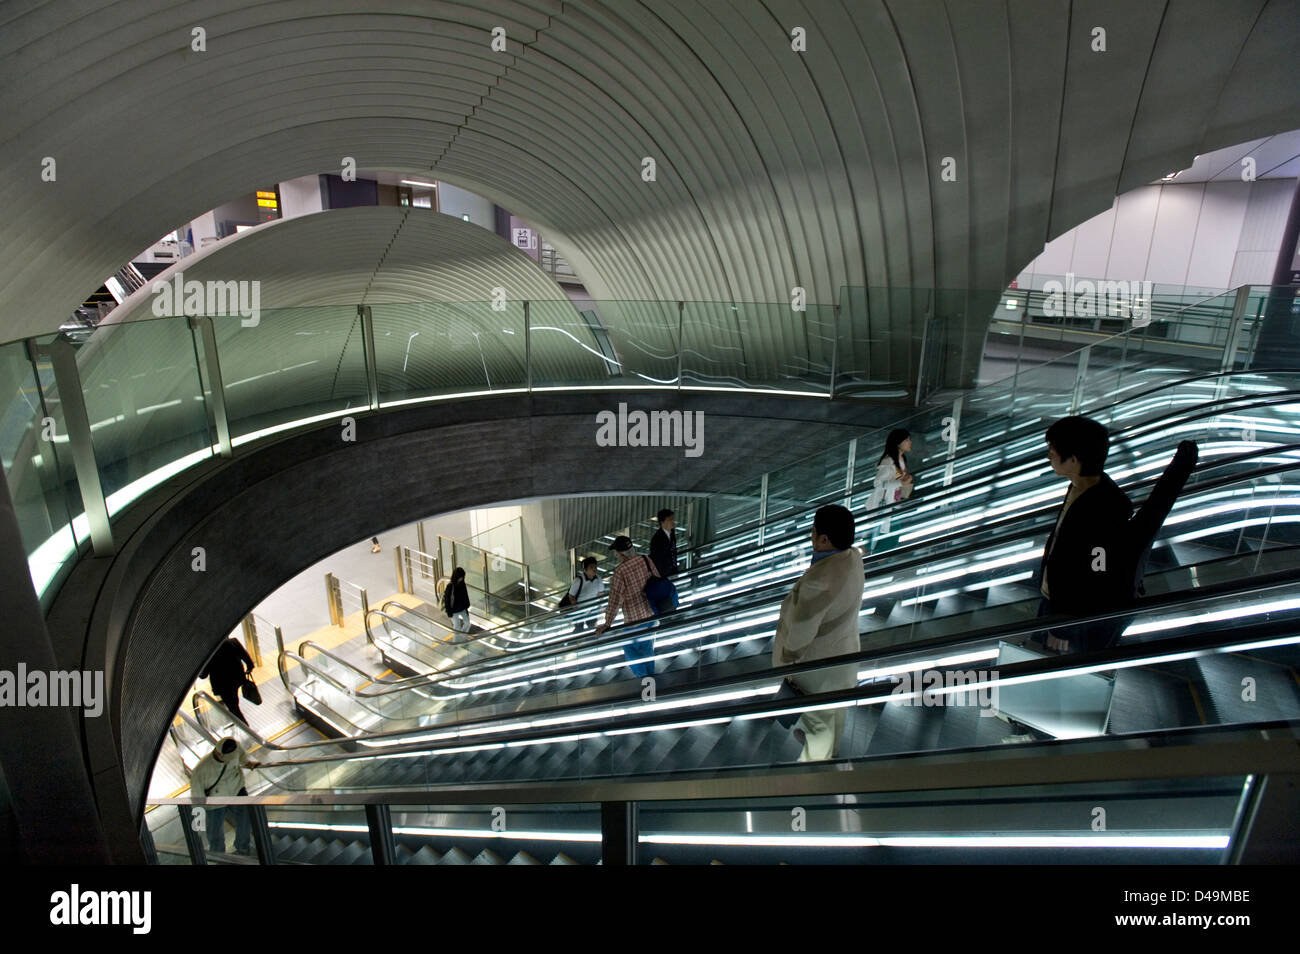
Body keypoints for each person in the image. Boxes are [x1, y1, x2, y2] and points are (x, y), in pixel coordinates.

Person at [771, 504, 865, 761]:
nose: (811, 535)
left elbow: (802, 632)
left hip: (817, 670)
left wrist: (787, 662)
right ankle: (830, 750)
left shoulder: (819, 581)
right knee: (835, 711)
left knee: (818, 721)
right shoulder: (854, 557)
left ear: (823, 539)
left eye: (813, 531)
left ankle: (813, 768)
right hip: (843, 657)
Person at [1034, 415, 1135, 654]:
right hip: (1052, 600)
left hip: (1067, 619)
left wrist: (1064, 626)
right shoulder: (1078, 485)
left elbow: (1098, 574)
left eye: (1053, 450)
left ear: (1074, 459)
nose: (1049, 456)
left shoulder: (1108, 508)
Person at [594, 536, 660, 677]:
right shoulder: (645, 559)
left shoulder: (620, 571)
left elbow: (615, 599)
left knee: (630, 651)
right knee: (647, 649)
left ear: (620, 553)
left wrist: (607, 623)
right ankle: (651, 684)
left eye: (616, 552)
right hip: (651, 613)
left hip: (634, 620)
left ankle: (644, 681)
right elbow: (658, 579)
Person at [190, 737, 260, 856]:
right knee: (215, 833)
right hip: (215, 801)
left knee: (245, 819)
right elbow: (197, 795)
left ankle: (243, 849)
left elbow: (241, 755)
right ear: (219, 754)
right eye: (229, 758)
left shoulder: (235, 747)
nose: (232, 759)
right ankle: (219, 857)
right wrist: (200, 816)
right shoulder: (201, 770)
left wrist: (248, 763)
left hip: (236, 789)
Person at [199, 637, 255, 726]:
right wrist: (249, 668)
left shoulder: (209, 651)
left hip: (223, 685)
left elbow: (203, 675)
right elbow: (247, 659)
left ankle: (245, 727)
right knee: (234, 702)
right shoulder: (233, 642)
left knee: (233, 707)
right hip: (238, 678)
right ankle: (241, 723)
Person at [867, 428, 914, 510]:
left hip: (895, 501)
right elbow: (878, 484)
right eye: (906, 440)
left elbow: (897, 477)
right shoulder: (889, 462)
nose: (910, 442)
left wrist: (904, 480)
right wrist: (900, 483)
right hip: (883, 504)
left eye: (909, 439)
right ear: (898, 443)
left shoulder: (901, 459)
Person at [649, 508, 679, 579]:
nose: (672, 521)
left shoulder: (672, 532)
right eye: (669, 520)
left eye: (672, 519)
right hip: (664, 573)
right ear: (662, 522)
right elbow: (657, 559)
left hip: (673, 570)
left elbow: (673, 551)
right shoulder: (657, 539)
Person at [442, 566, 472, 633]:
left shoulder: (462, 584)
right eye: (460, 577)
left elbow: (465, 595)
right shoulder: (450, 586)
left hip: (462, 608)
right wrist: (449, 612)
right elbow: (447, 600)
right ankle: (457, 640)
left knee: (467, 624)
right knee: (457, 627)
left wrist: (467, 606)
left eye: (462, 577)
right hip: (453, 610)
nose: (461, 579)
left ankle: (463, 636)